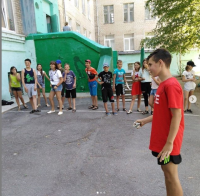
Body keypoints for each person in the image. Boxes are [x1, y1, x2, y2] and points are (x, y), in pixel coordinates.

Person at [136, 48, 184, 196]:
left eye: (150, 64)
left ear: (161, 63)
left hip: (169, 140)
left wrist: (169, 143)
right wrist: (145, 120)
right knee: (167, 174)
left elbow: (177, 116)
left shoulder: (171, 85)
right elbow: (162, 113)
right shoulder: (162, 84)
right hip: (163, 138)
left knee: (171, 176)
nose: (148, 68)